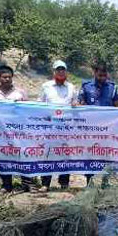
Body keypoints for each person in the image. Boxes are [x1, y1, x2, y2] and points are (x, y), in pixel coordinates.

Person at [0, 65, 35, 193]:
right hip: (0, 132)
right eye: (4, 77)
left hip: (18, 132)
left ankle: (27, 183)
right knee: (2, 155)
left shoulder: (20, 93)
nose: (7, 79)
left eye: (9, 77)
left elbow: (29, 110)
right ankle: (6, 184)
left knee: (22, 155)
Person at [77, 63, 118, 186]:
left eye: (104, 75)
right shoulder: (86, 86)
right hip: (90, 129)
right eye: (100, 75)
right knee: (90, 153)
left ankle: (105, 181)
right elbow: (80, 103)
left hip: (107, 129)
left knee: (107, 154)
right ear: (94, 73)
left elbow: (117, 107)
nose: (102, 78)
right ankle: (89, 181)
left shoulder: (113, 87)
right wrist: (77, 105)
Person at [37, 60, 75, 192]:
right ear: (53, 71)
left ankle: (64, 182)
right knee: (47, 154)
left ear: (66, 71)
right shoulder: (46, 86)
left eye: (63, 69)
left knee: (65, 154)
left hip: (65, 127)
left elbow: (75, 105)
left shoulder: (71, 87)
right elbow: (39, 104)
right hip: (50, 127)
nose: (61, 72)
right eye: (58, 69)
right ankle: (45, 183)